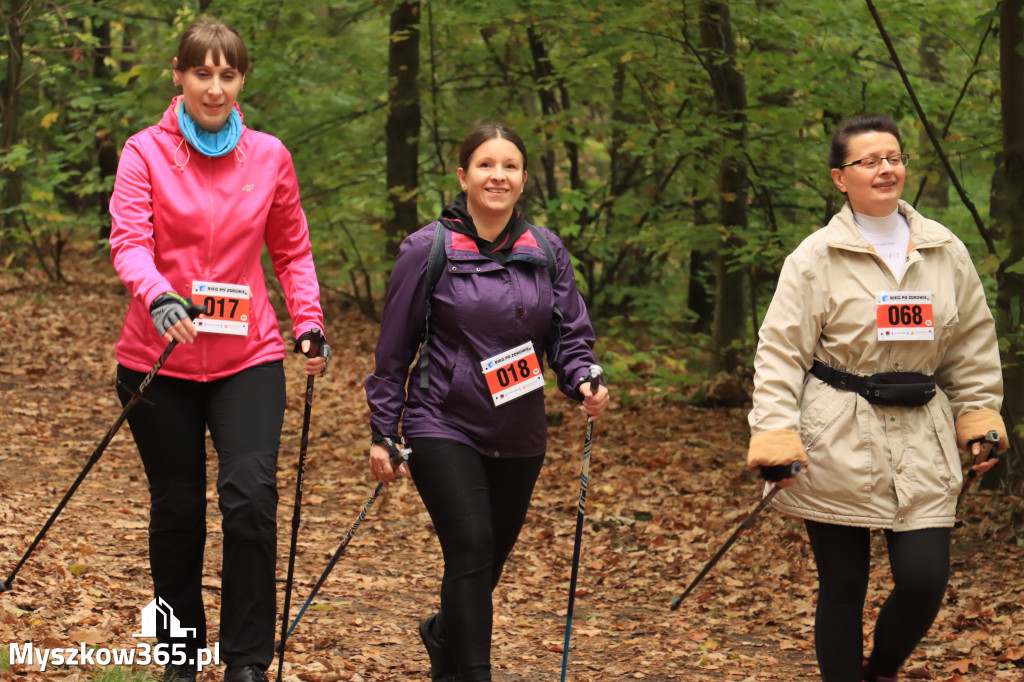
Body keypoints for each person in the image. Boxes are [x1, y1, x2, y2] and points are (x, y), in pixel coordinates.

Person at [745, 112, 1007, 682]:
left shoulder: (945, 250)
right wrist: (775, 435)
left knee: (923, 579)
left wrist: (979, 414)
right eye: (869, 160)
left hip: (923, 433)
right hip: (838, 431)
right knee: (843, 587)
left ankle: (880, 668)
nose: (885, 169)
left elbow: (972, 343)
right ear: (841, 178)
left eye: (894, 157)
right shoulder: (814, 258)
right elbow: (781, 352)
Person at [108, 18, 329, 682]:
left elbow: (291, 251)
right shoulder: (144, 151)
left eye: (227, 74)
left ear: (241, 80)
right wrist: (158, 294)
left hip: (249, 355)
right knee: (178, 510)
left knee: (250, 498)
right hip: (160, 356)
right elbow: (128, 242)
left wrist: (308, 320)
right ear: (178, 74)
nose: (214, 86)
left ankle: (247, 661)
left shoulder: (269, 156)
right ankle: (180, 655)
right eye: (201, 72)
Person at [364, 123, 610, 681]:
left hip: (520, 430)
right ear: (463, 175)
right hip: (441, 421)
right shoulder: (427, 248)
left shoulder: (547, 250)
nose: (497, 175)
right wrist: (384, 429)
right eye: (485, 164)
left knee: (485, 564)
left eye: (510, 166)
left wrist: (584, 378)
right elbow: (394, 348)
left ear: (523, 180)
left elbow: (569, 337)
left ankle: (444, 634)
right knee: (470, 549)